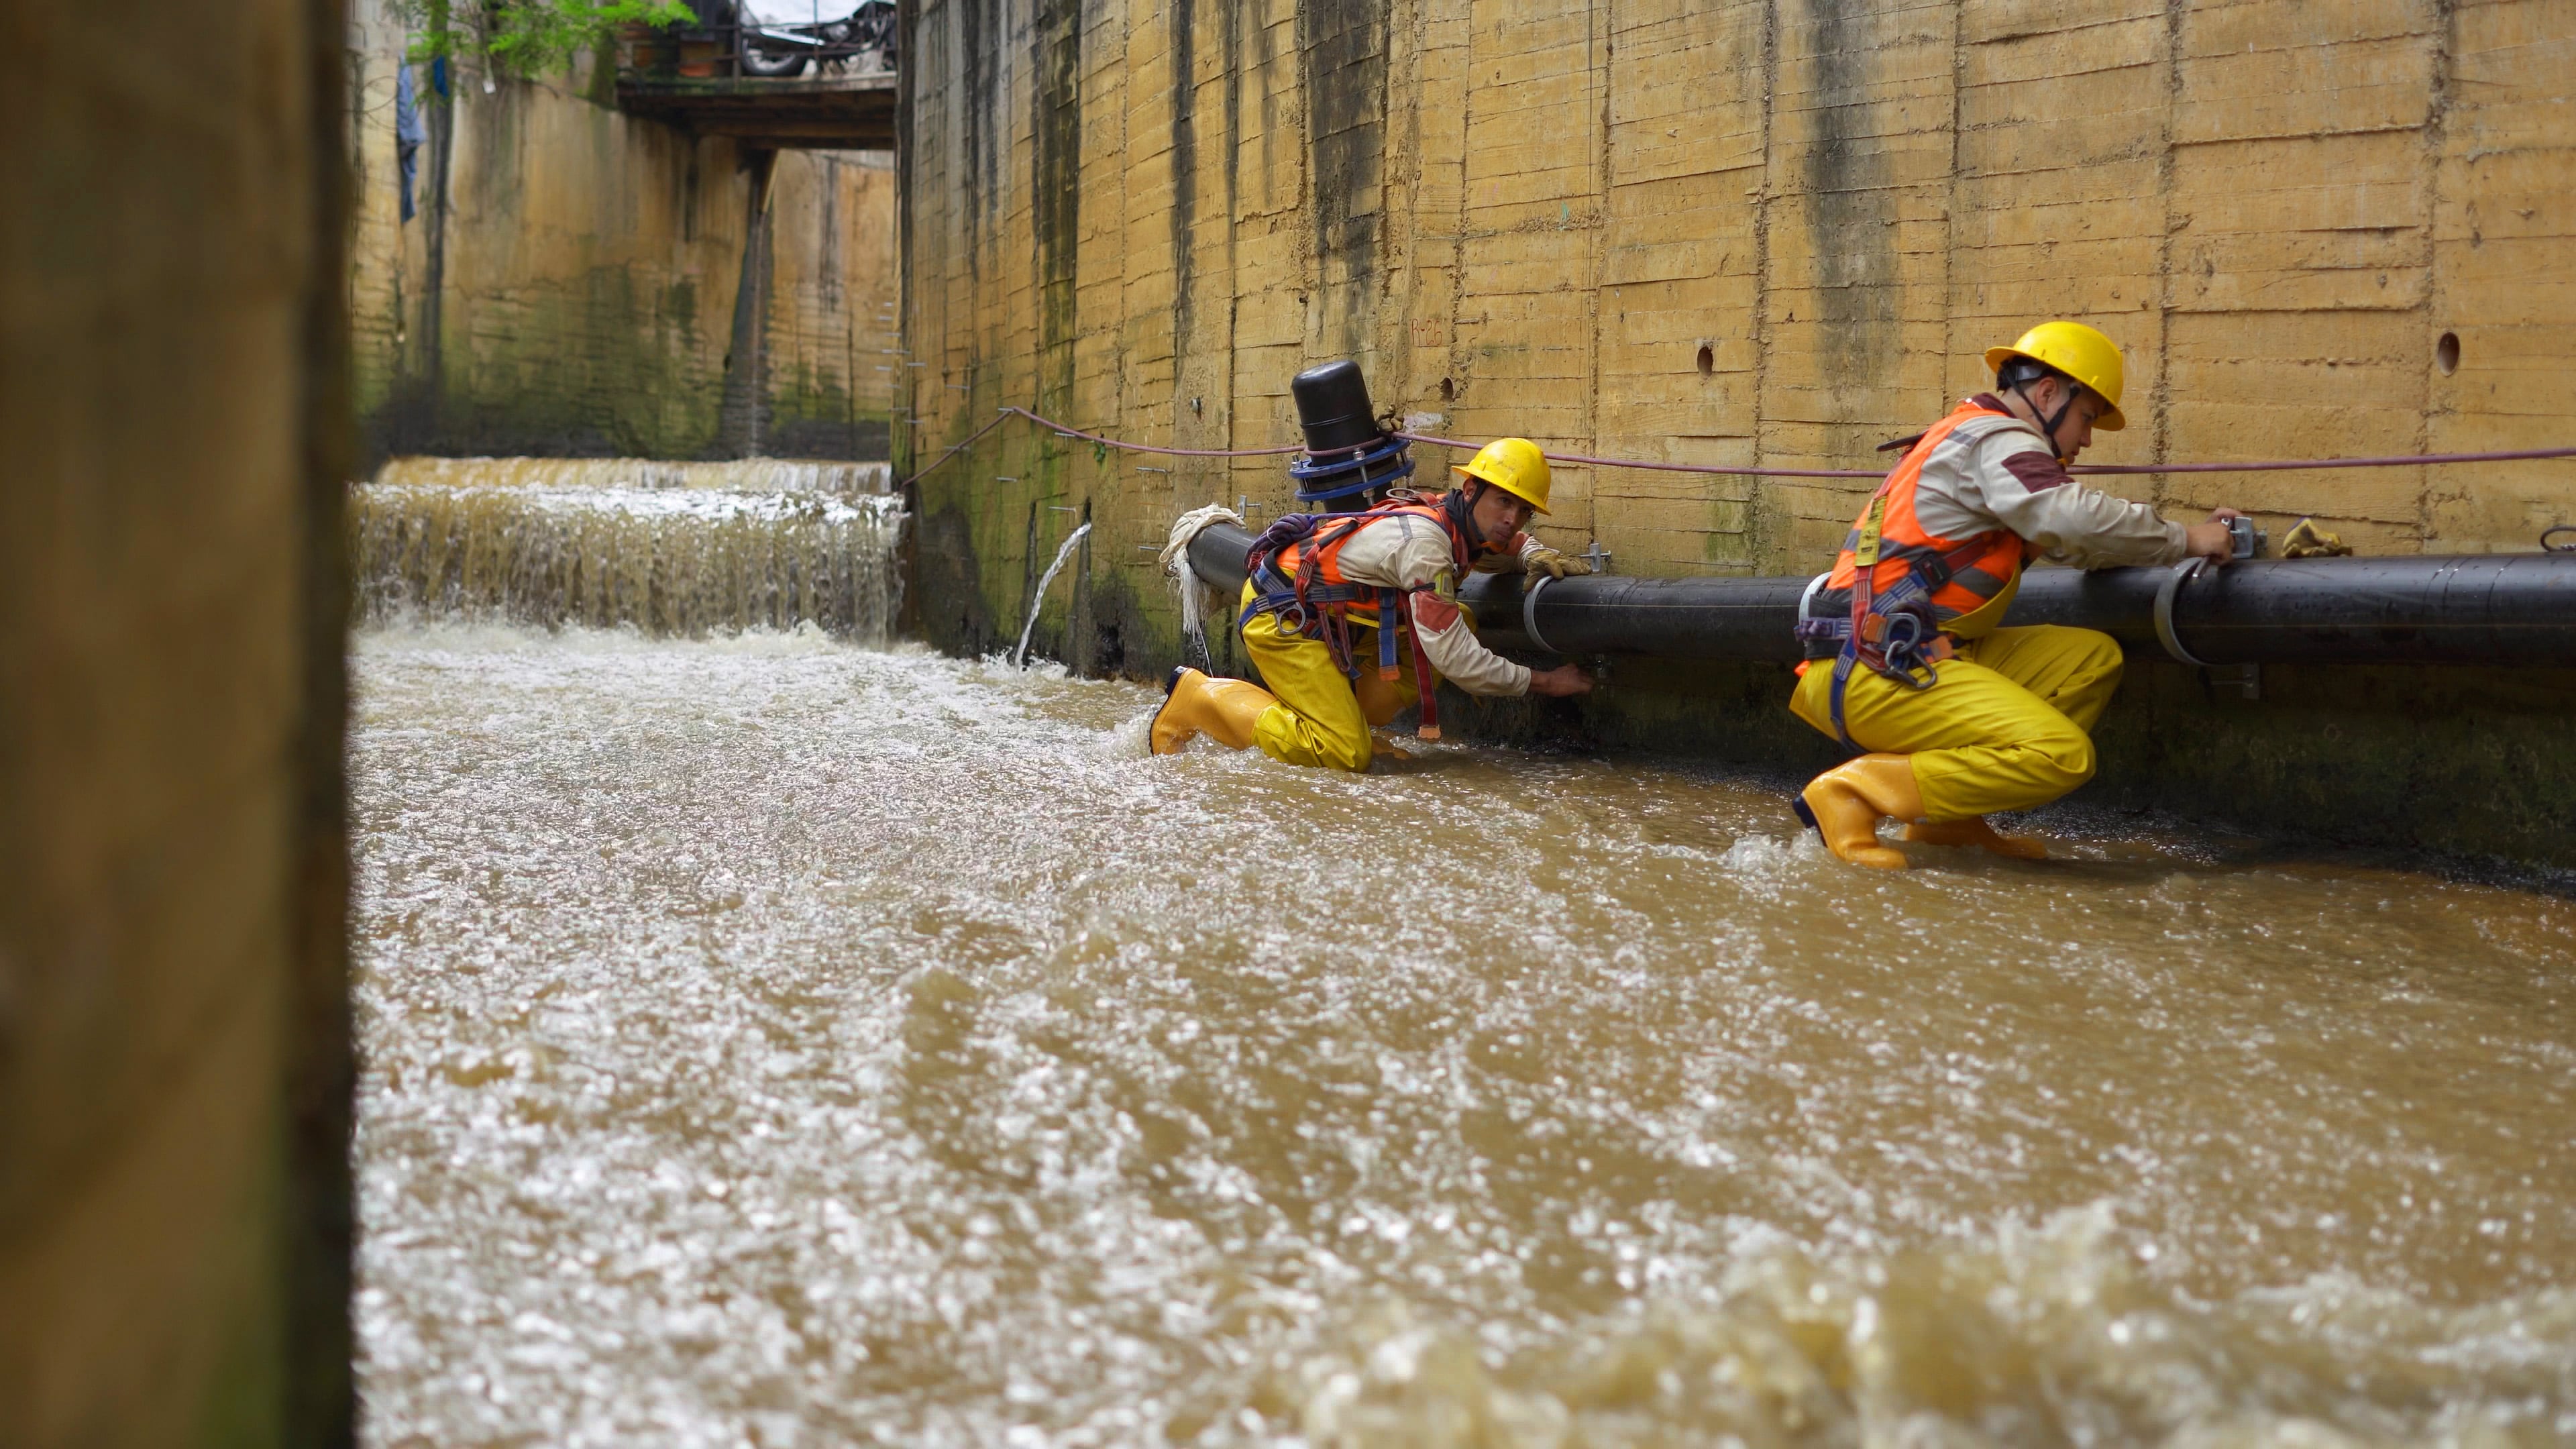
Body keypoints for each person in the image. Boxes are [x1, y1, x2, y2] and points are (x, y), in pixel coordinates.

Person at [1789, 321, 2245, 867]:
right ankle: (1855, 793)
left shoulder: (1973, 442)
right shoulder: (1996, 439)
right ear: (2048, 392)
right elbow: (2070, 516)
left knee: (2089, 659)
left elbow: (2078, 543)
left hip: (1900, 653)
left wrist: (2184, 543)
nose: (2088, 439)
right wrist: (2187, 538)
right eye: (2088, 417)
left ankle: (1947, 823)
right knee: (2063, 755)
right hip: (1878, 667)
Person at [1152, 438, 1595, 770]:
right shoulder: (1426, 545)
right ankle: (1199, 698)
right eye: (1504, 502)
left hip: (1324, 617)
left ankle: (1341, 719)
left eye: (1523, 512)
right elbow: (1458, 661)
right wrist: (1546, 682)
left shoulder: (1455, 519)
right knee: (1344, 753)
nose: (1511, 520)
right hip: (1282, 617)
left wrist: (1531, 552)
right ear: (1471, 490)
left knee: (1456, 617)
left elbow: (1503, 543)